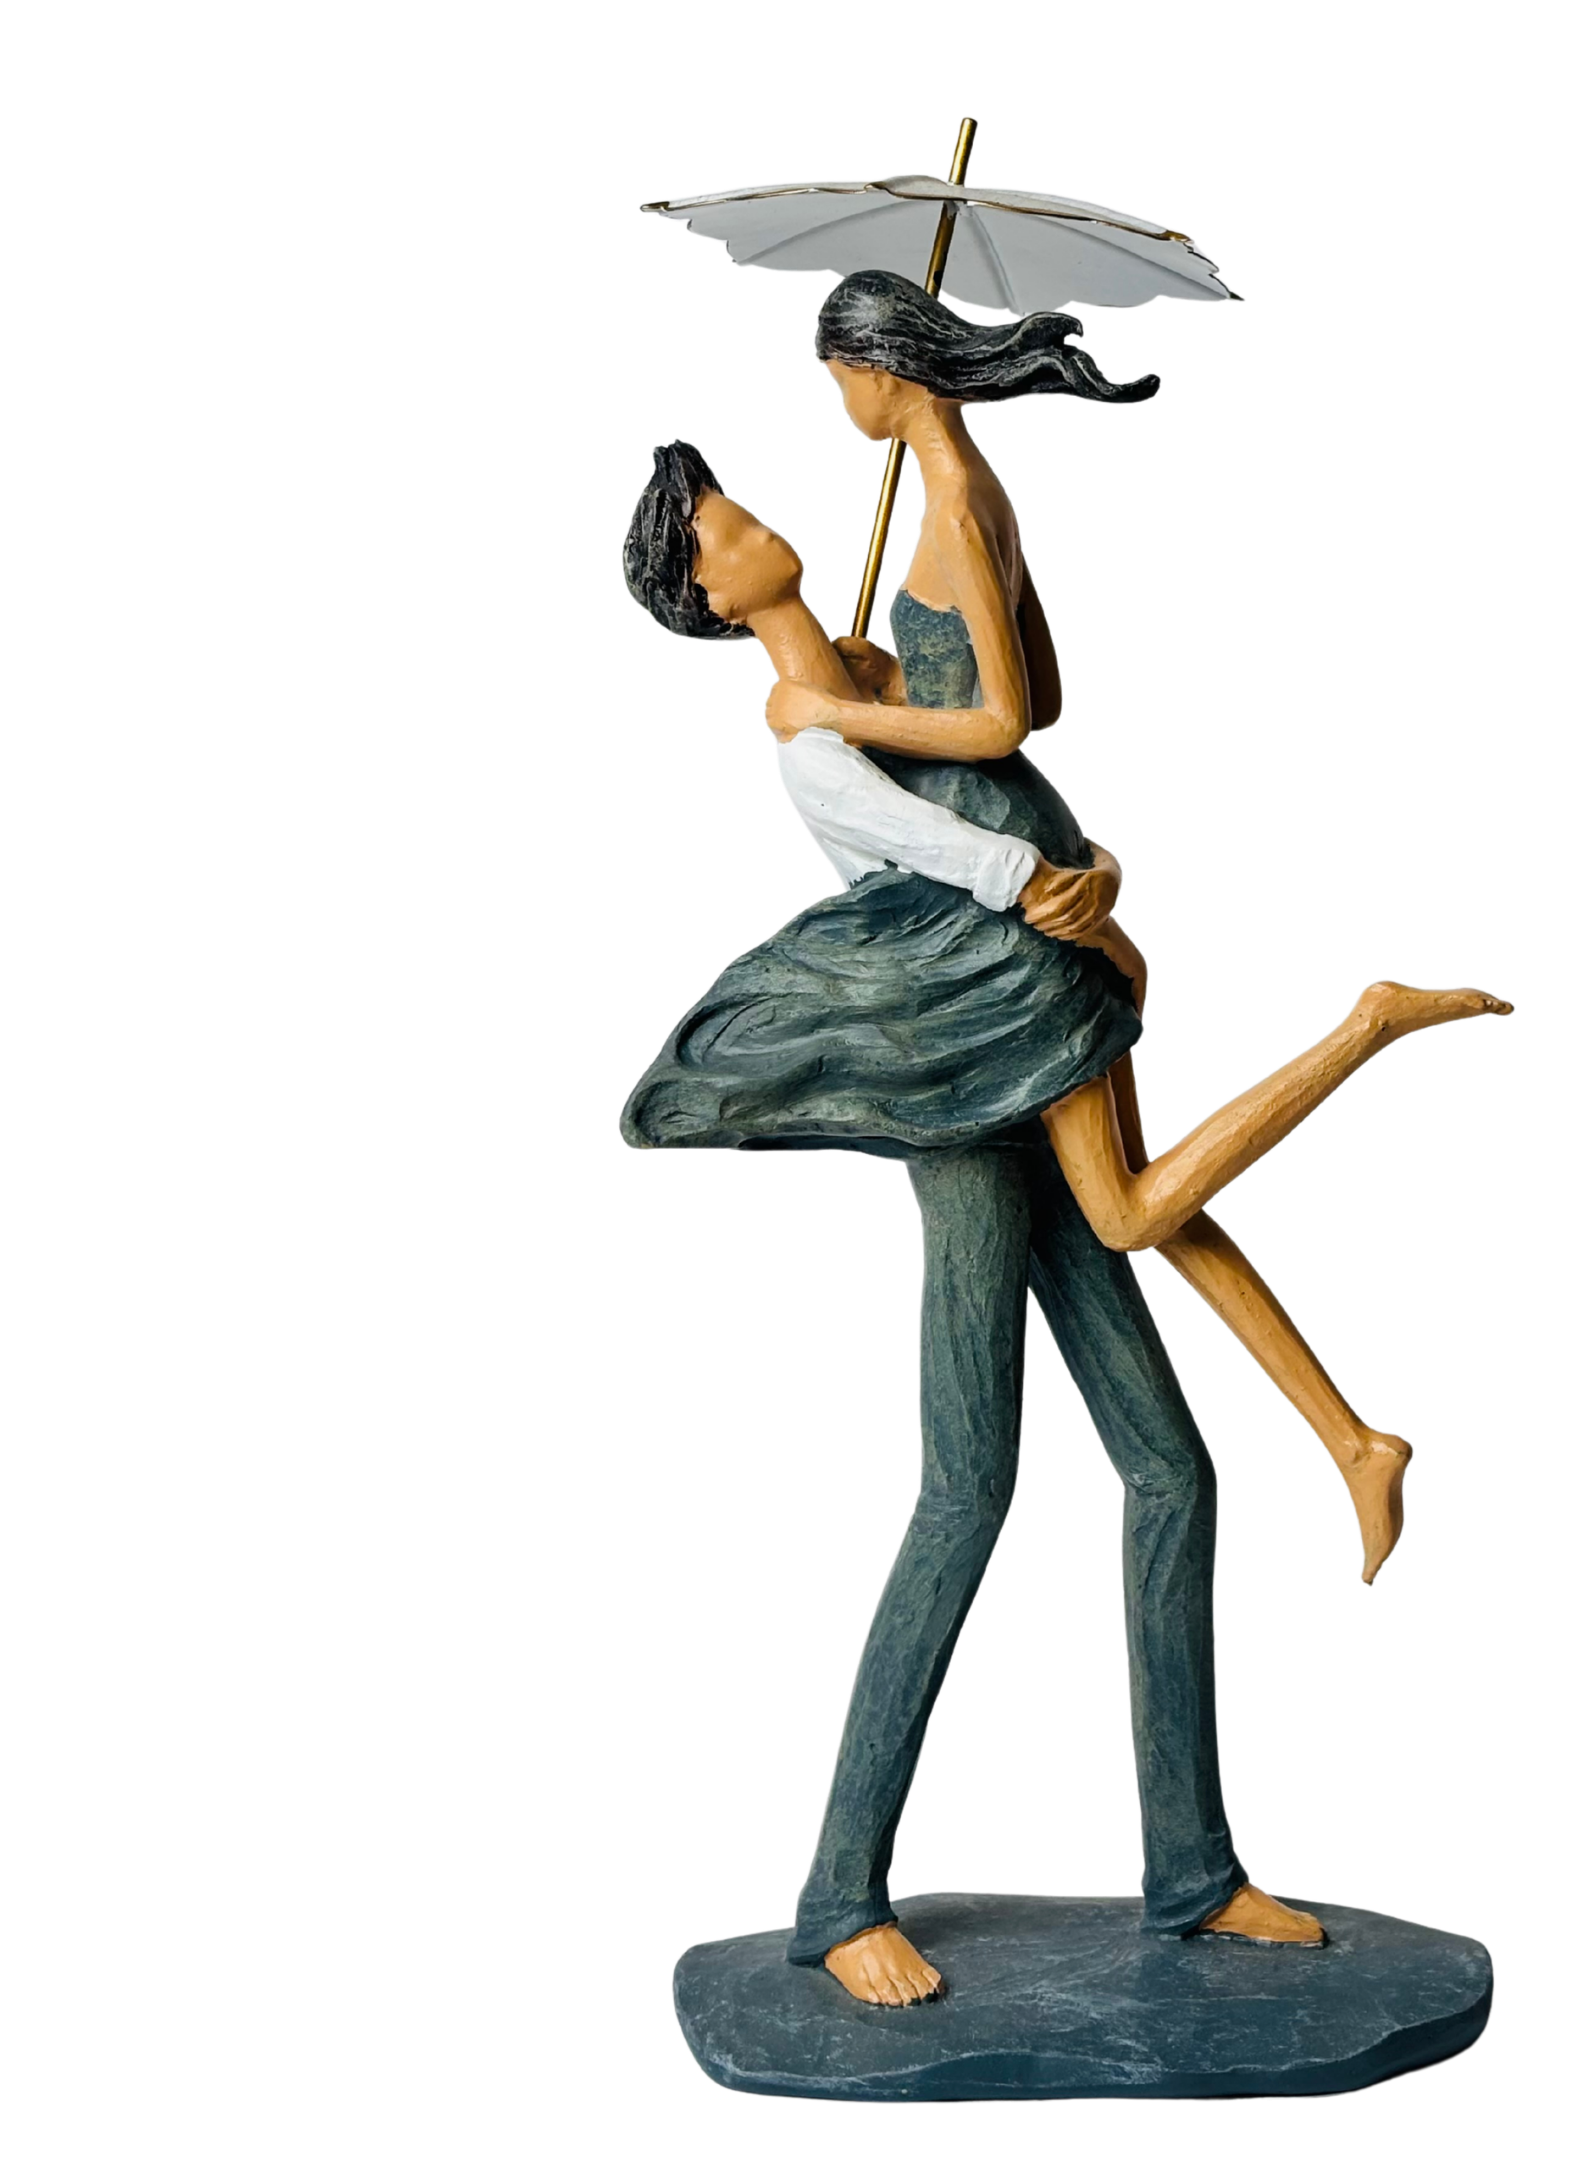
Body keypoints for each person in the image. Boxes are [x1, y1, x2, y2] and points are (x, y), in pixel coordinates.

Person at [620, 447, 1508, 2006]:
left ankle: (1196, 1874)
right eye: (729, 531)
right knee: (967, 1489)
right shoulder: (808, 728)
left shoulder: (860, 672)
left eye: (746, 503)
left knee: (1171, 1472)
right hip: (968, 1087)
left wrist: (1089, 879)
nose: (763, 524)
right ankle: (840, 1896)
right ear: (708, 595)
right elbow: (976, 857)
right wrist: (1073, 893)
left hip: (1033, 1039)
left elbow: (1001, 751)